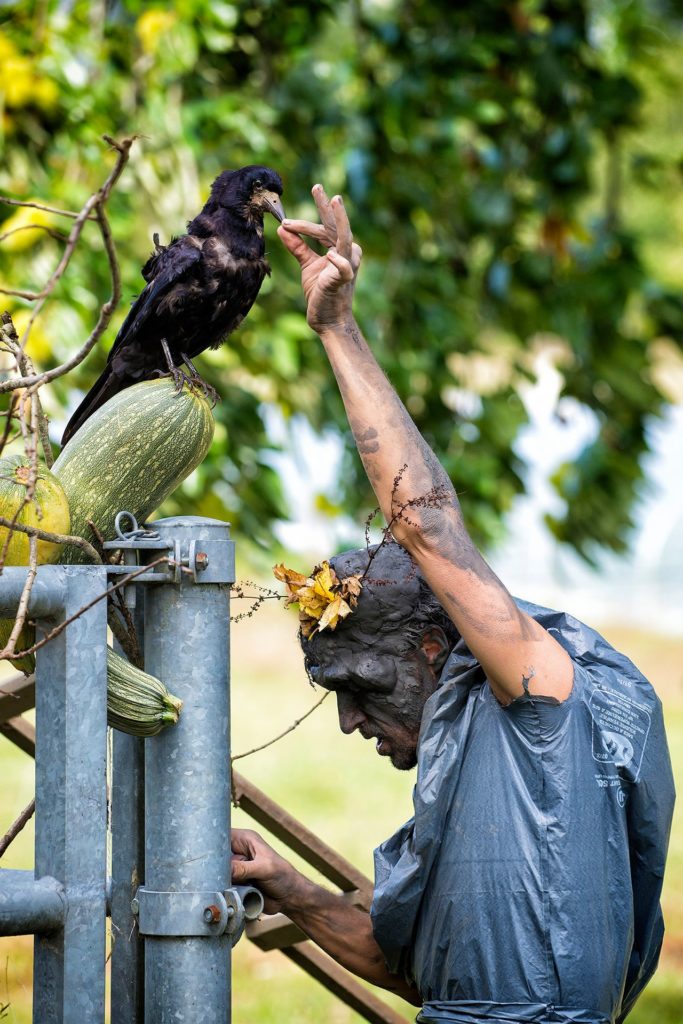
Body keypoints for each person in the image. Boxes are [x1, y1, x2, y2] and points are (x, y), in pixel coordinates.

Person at [230, 187, 675, 1024]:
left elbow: (425, 527)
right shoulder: (466, 774)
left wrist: (336, 328)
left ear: (438, 649)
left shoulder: (540, 701)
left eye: (361, 686)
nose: (351, 724)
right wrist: (285, 886)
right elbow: (416, 976)